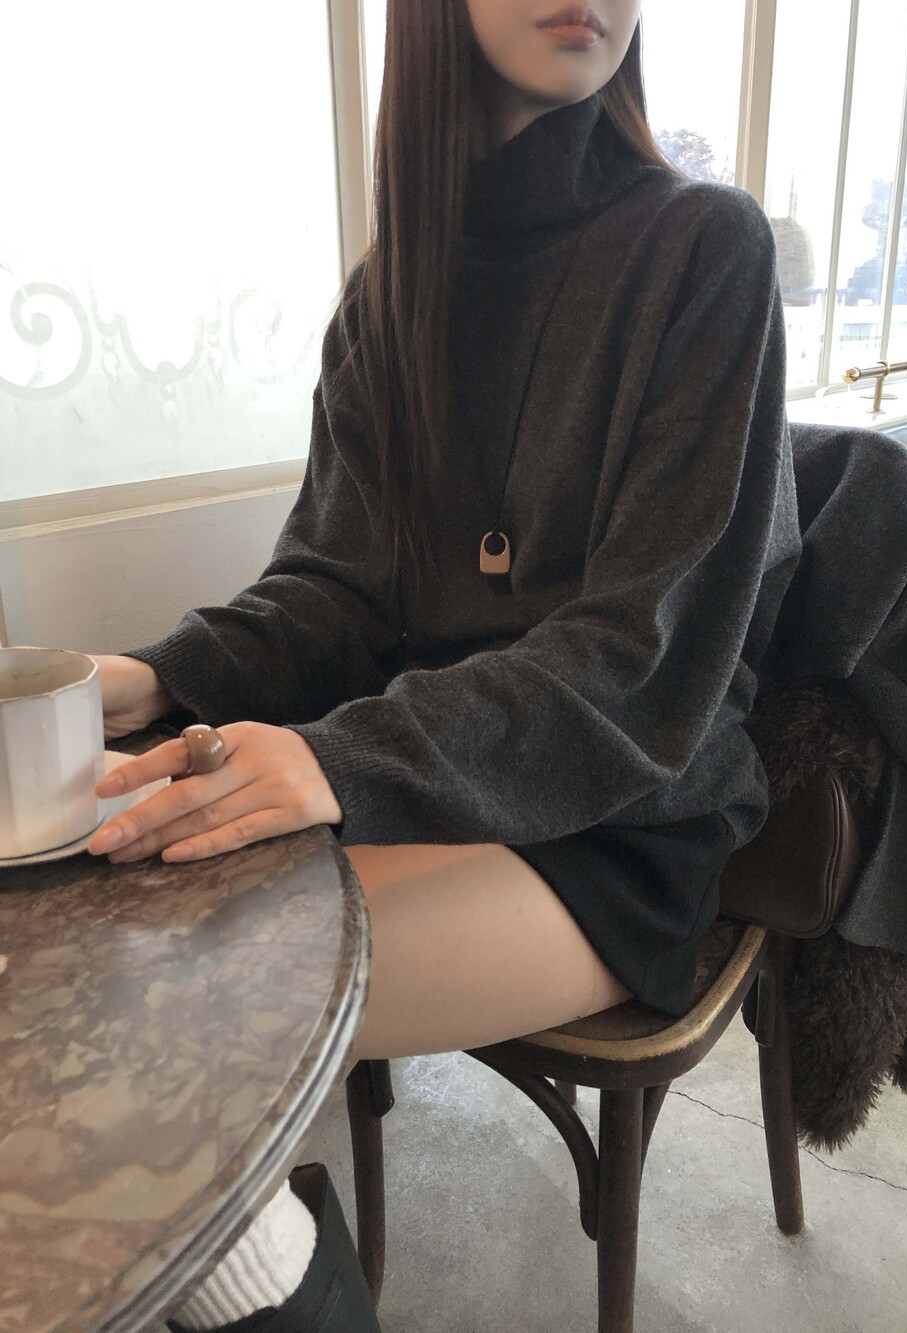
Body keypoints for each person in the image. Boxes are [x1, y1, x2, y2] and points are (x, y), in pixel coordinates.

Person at [87, 1, 801, 1327]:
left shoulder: (706, 249)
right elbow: (335, 592)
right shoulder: (389, 296)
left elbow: (642, 658)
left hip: (618, 815)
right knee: (90, 975)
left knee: (159, 1035)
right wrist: (149, 676)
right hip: (423, 776)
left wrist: (333, 759)